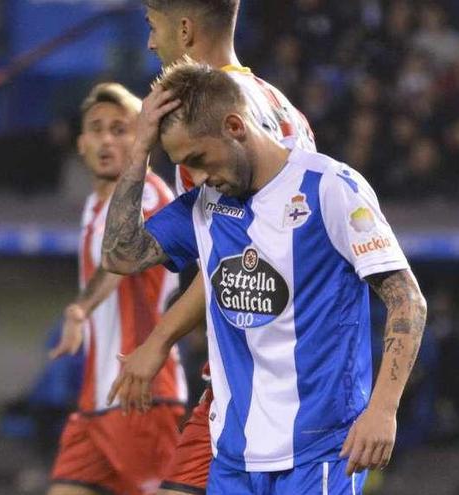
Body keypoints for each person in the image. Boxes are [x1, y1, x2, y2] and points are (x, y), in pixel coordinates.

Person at [102, 59, 427, 493]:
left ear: (235, 126)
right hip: (235, 454)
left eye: (200, 158)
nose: (199, 176)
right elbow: (120, 254)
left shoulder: (330, 187)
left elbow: (407, 298)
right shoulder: (207, 203)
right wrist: (139, 150)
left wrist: (384, 409)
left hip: (320, 449)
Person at [108, 2, 316, 494]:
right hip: (286, 373)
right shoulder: (282, 104)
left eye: (153, 28)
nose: (151, 44)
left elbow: (241, 251)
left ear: (184, 28)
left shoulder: (203, 125)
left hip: (257, 388)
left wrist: (158, 341)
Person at [46, 83, 187, 495]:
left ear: (141, 138)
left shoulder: (148, 195)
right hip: (94, 401)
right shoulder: (93, 206)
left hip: (142, 396)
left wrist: (79, 309)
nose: (107, 139)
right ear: (81, 143)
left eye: (120, 128)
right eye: (97, 129)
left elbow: (120, 263)